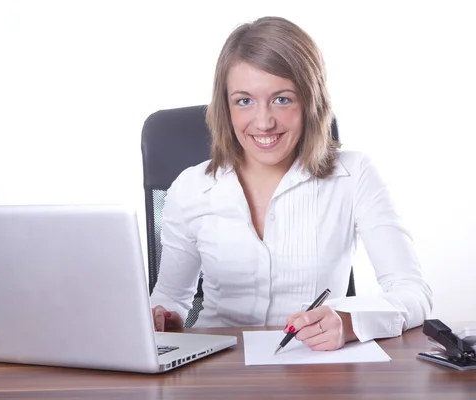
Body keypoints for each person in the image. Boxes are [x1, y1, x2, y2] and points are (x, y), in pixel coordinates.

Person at [149, 16, 432, 351]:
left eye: (282, 99)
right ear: (226, 106)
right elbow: (171, 298)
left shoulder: (354, 175)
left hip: (314, 365)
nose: (264, 121)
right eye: (244, 101)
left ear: (310, 102)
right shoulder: (191, 187)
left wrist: (351, 321)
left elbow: (412, 291)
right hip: (218, 366)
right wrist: (166, 318)